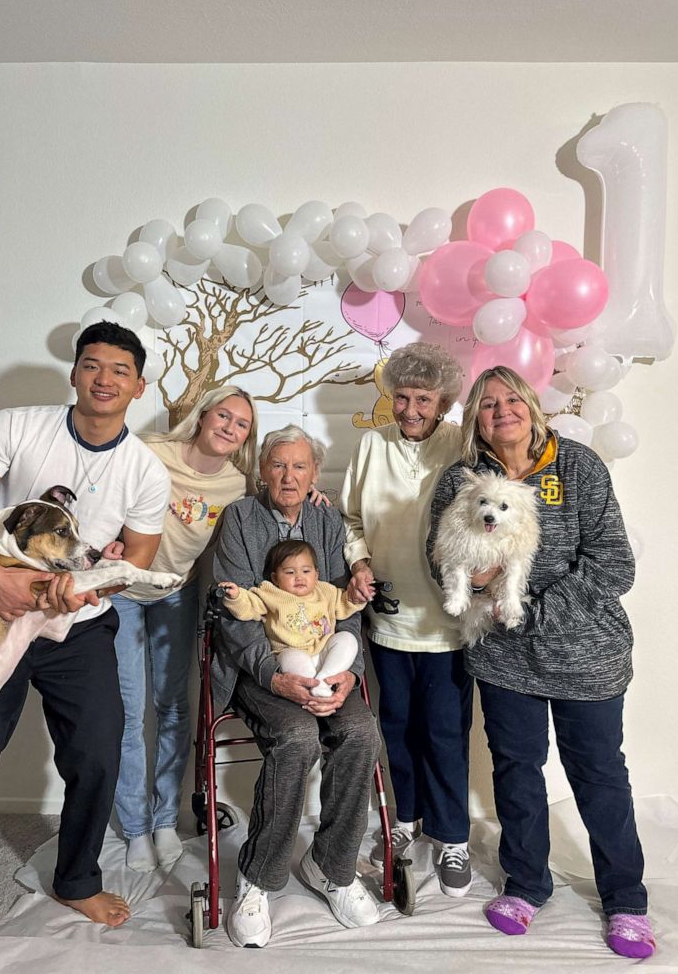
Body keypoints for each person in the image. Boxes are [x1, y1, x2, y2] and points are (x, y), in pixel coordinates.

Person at [426, 365, 655, 960]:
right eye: (487, 403)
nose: (501, 410)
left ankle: (626, 898)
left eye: (511, 399)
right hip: (504, 660)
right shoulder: (461, 479)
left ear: (531, 405)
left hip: (587, 655)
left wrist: (528, 605)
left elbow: (614, 564)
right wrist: (479, 590)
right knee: (516, 771)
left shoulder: (578, 466)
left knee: (599, 774)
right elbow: (442, 562)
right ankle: (527, 883)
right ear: (475, 418)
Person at [0, 322, 170, 927]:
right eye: (92, 365)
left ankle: (76, 880)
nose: (105, 379)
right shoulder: (16, 426)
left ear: (138, 387)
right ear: (74, 374)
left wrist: (88, 585)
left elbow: (135, 567)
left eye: (120, 371)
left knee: (98, 753)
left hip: (79, 626)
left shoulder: (146, 471)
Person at [213, 425, 382, 948]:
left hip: (323, 664)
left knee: (359, 732)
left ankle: (330, 866)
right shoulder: (240, 518)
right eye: (278, 465)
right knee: (298, 736)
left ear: (314, 473)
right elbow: (235, 615)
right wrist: (274, 676)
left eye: (300, 466)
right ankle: (258, 877)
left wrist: (346, 674)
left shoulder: (327, 519)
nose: (289, 476)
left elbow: (343, 605)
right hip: (258, 667)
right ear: (262, 471)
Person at [339, 341, 473, 897]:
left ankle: (452, 835)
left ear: (442, 403)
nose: (411, 409)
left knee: (443, 732)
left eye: (423, 398)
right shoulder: (371, 445)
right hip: (387, 618)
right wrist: (360, 561)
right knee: (393, 729)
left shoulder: (461, 447)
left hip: (445, 620)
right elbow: (351, 520)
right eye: (402, 397)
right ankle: (405, 822)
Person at [111, 386, 258, 873]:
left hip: (177, 593)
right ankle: (134, 828)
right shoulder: (150, 451)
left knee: (173, 708)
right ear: (203, 415)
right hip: (124, 591)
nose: (229, 428)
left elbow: (261, 524)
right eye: (224, 415)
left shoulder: (237, 487)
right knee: (129, 712)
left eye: (241, 424)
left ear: (244, 439)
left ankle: (163, 821)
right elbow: (104, 494)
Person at [219, 538, 363, 698]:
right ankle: (314, 687)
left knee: (348, 639)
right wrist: (236, 596)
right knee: (290, 658)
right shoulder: (270, 593)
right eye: (290, 572)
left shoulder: (326, 591)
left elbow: (345, 604)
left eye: (306, 571)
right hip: (291, 652)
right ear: (275, 578)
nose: (299, 577)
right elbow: (249, 607)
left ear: (316, 575)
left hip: (324, 651)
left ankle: (325, 678)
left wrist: (358, 597)